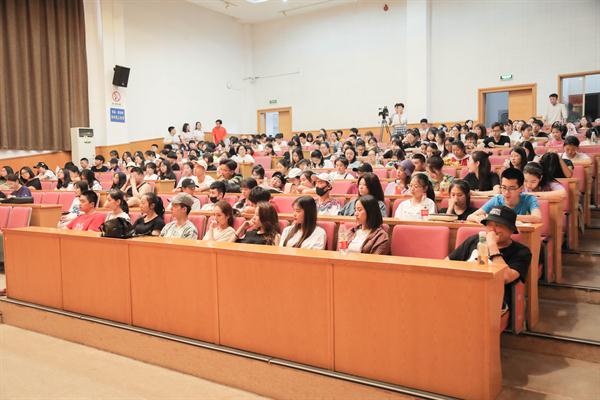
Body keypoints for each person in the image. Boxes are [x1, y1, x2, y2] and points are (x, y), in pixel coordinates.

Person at [467, 168, 542, 224]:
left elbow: (538, 218)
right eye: (504, 187)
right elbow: (470, 216)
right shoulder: (497, 200)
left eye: (511, 188)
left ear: (521, 188)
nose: (506, 192)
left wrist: (506, 216)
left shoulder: (529, 199)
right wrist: (478, 218)